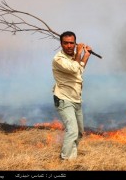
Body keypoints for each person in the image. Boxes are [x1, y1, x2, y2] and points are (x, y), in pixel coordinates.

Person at [52, 31, 92, 160]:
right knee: (72, 130)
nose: (69, 46)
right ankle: (64, 160)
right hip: (64, 99)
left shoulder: (74, 57)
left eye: (71, 43)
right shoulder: (58, 59)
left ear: (75, 43)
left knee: (79, 133)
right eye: (66, 43)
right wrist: (79, 52)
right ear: (61, 44)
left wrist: (86, 55)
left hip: (76, 98)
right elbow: (74, 68)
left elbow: (79, 70)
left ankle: (72, 160)